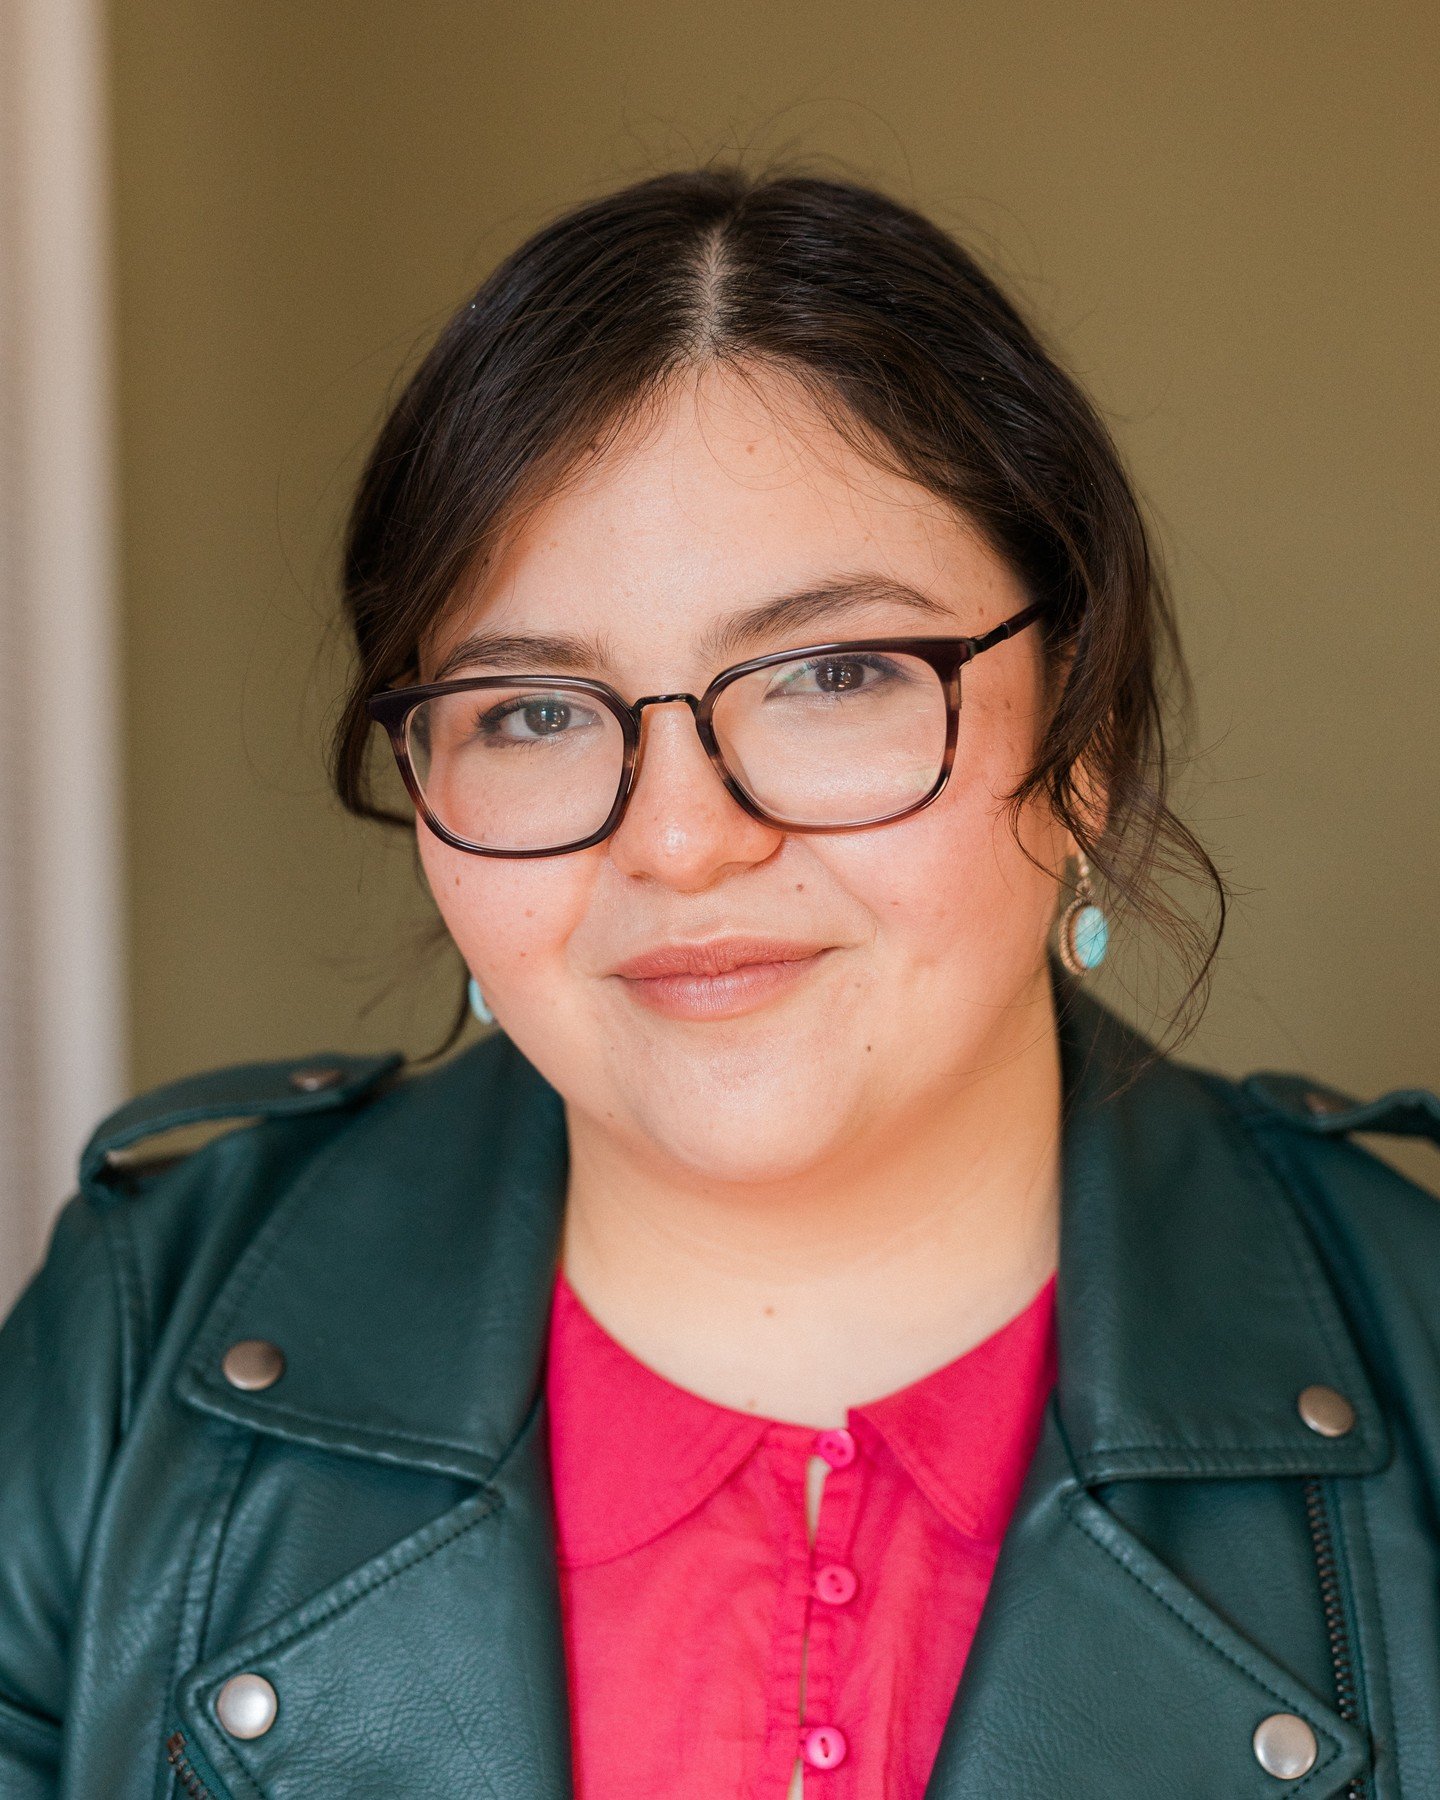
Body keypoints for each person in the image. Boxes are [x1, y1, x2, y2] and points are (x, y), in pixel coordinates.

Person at [1, 166, 1437, 1800]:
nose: (683, 841)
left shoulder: (1425, 1351)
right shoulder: (126, 1356)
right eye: (533, 710)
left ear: (1085, 740)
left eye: (837, 675)